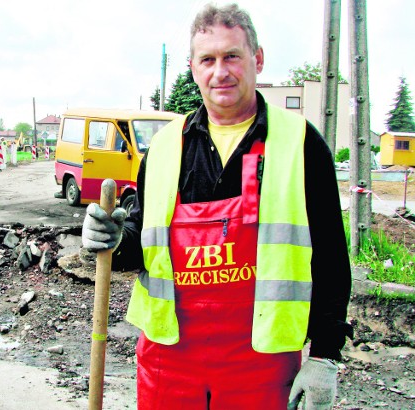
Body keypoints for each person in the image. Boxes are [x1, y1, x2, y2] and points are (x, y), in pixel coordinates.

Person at [81, 3, 352, 409]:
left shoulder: (300, 143)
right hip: (169, 359)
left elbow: (331, 257)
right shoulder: (165, 147)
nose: (219, 72)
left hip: (261, 361)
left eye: (232, 57)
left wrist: (324, 357)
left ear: (257, 59)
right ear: (193, 67)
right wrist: (114, 240)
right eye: (207, 59)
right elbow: (144, 245)